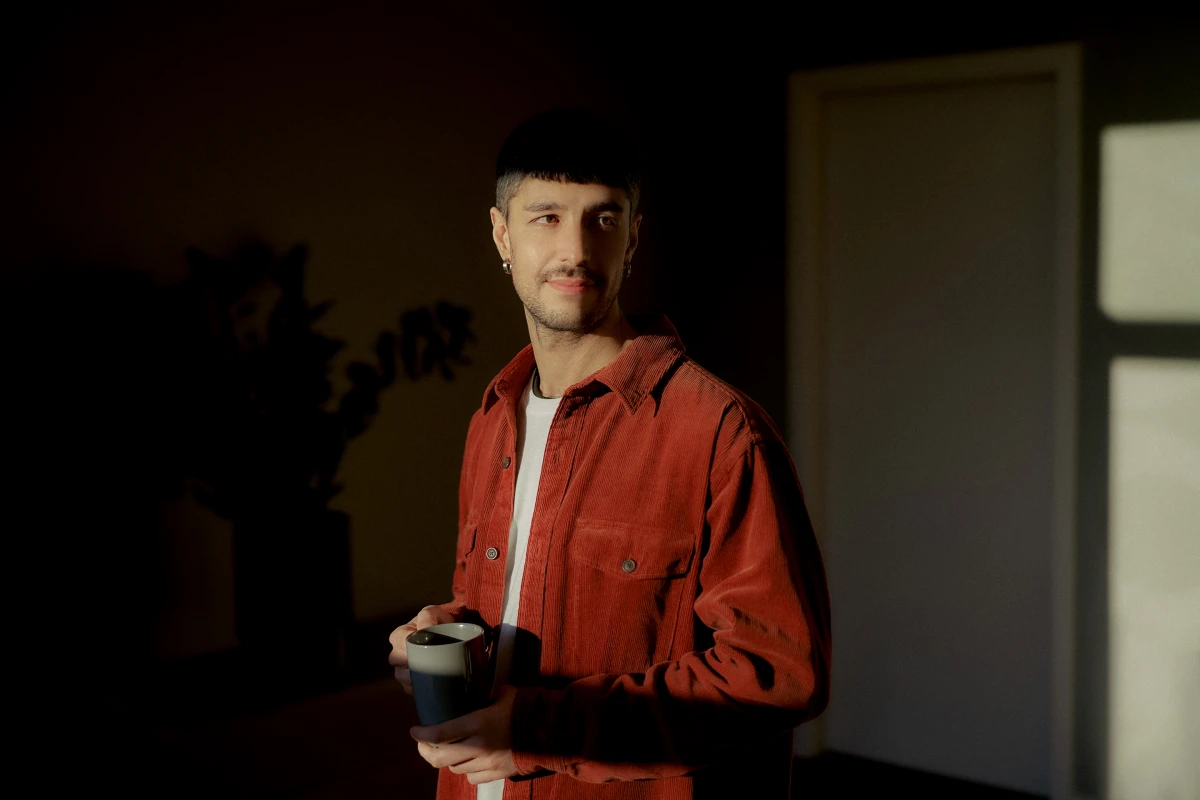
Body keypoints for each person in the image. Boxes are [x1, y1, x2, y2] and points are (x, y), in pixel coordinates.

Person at [388, 108, 831, 799]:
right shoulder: (493, 418)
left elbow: (775, 674)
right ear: (502, 233)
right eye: (546, 217)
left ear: (633, 239)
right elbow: (521, 598)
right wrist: (445, 632)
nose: (576, 249)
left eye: (602, 218)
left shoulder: (719, 432)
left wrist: (543, 729)